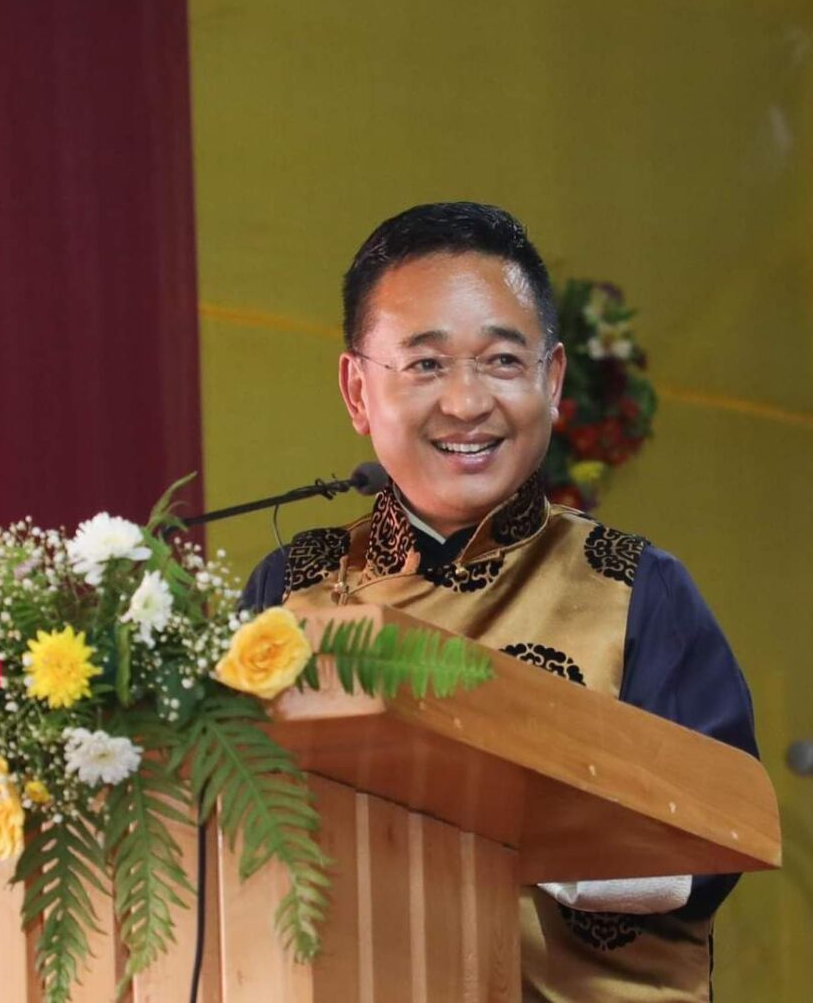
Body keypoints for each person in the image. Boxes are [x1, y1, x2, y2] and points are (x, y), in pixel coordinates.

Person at [242, 201, 758, 1002]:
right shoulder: (290, 588)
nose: (465, 402)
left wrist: (494, 809)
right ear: (356, 389)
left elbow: (719, 839)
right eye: (424, 365)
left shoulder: (635, 590)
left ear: (551, 382)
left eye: (501, 362)